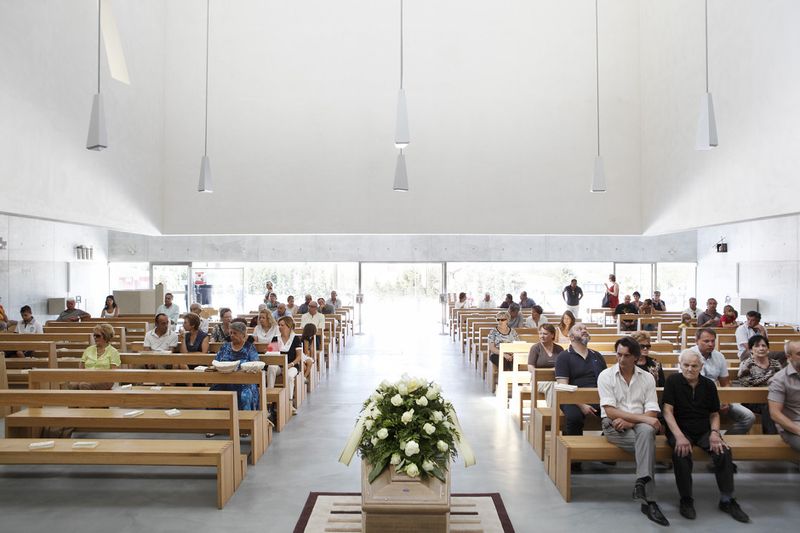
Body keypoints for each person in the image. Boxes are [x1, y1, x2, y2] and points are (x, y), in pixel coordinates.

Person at [662, 349, 750, 523]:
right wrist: (679, 436)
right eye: (686, 365)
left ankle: (727, 500)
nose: (690, 369)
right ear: (680, 365)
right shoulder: (673, 381)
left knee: (723, 451)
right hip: (680, 429)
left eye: (694, 366)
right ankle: (686, 499)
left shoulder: (709, 385)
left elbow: (714, 414)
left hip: (704, 429)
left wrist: (715, 433)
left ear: (701, 367)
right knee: (681, 453)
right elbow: (667, 411)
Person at [598, 337, 668, 526]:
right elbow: (610, 411)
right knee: (648, 442)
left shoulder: (647, 378)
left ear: (636, 357)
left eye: (627, 356)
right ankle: (650, 501)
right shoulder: (606, 376)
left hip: (637, 425)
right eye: (619, 354)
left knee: (646, 433)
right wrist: (642, 419)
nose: (621, 359)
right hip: (613, 426)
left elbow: (652, 410)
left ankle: (642, 488)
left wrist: (631, 421)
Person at [555, 323, 608, 463]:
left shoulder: (596, 355)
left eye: (585, 329)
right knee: (574, 417)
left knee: (614, 414)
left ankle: (605, 452)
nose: (584, 330)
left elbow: (606, 381)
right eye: (579, 329)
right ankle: (574, 458)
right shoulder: (564, 356)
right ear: (571, 337)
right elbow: (563, 386)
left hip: (597, 397)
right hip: (571, 398)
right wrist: (582, 405)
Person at [692, 328, 755, 434]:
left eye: (713, 341)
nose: (710, 344)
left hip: (718, 396)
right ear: (696, 341)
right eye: (706, 341)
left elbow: (725, 383)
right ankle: (707, 437)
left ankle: (727, 438)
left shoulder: (719, 356)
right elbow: (691, 385)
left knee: (748, 417)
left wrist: (725, 400)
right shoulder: (689, 355)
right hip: (696, 398)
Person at [210, 321, 259, 410]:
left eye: (235, 333)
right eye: (231, 333)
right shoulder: (225, 346)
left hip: (244, 381)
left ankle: (246, 417)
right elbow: (216, 361)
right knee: (213, 391)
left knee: (245, 395)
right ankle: (218, 417)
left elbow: (255, 365)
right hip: (224, 380)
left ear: (243, 334)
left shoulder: (249, 347)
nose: (232, 335)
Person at [738, 335, 780, 434]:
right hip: (752, 399)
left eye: (764, 345)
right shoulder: (746, 365)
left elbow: (782, 382)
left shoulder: (776, 363)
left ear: (768, 349)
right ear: (751, 350)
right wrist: (769, 378)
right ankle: (771, 437)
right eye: (757, 346)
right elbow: (747, 383)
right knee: (768, 405)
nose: (761, 348)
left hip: (775, 397)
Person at [768, 340, 800, 452]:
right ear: (789, 357)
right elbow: (775, 414)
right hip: (792, 426)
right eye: (799, 354)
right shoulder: (779, 379)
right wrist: (798, 430)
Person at [267, 316, 303, 406]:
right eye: (279, 325)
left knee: (289, 376)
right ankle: (270, 398)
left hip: (292, 365)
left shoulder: (295, 338)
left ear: (289, 326)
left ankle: (289, 402)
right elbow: (271, 354)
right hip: (279, 366)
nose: (280, 327)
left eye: (282, 325)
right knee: (271, 367)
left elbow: (299, 356)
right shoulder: (275, 338)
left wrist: (290, 364)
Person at [73, 323, 121, 390]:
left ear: (106, 336)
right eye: (94, 335)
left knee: (84, 385)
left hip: (105, 379)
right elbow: (81, 368)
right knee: (72, 384)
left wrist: (96, 377)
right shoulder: (88, 349)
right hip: (87, 377)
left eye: (98, 336)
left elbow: (113, 373)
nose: (95, 337)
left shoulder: (113, 352)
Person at [527, 324, 564, 405]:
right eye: (540, 333)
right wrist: (545, 372)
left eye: (545, 334)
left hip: (556, 379)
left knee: (563, 385)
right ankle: (552, 411)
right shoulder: (535, 348)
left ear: (552, 335)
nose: (542, 336)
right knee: (552, 386)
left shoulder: (559, 349)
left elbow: (563, 366)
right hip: (538, 380)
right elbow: (530, 367)